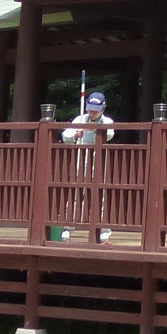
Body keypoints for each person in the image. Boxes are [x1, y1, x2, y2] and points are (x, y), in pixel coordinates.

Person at [59, 90, 116, 241]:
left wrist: (96, 129)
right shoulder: (80, 119)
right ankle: (68, 228)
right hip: (80, 162)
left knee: (101, 197)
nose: (92, 113)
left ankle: (103, 232)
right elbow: (65, 136)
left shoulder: (107, 122)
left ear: (103, 109)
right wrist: (75, 135)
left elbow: (109, 134)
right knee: (76, 195)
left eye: (96, 110)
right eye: (90, 109)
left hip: (98, 163)